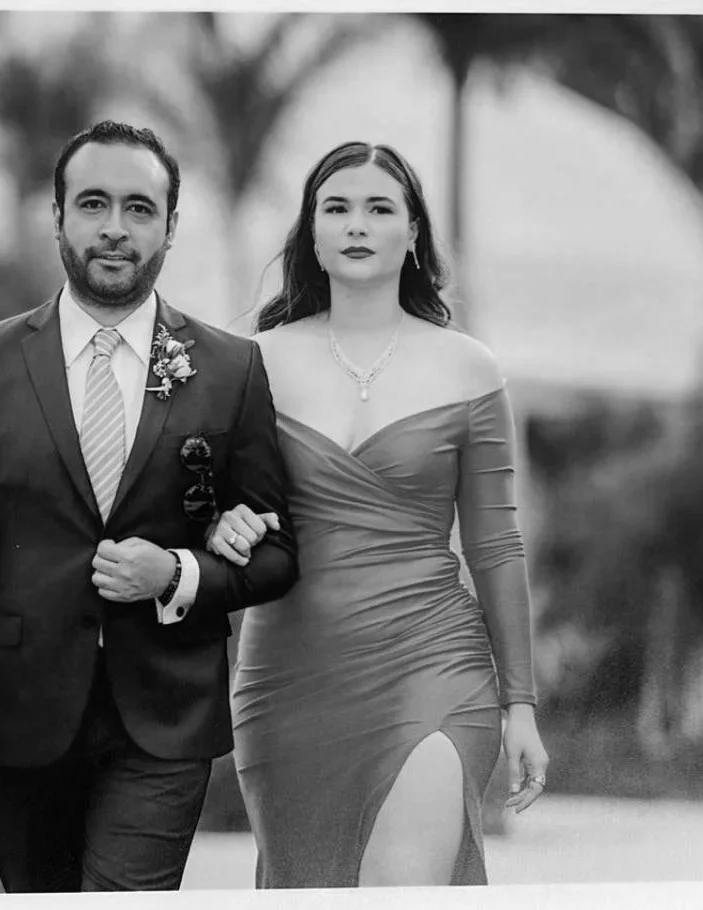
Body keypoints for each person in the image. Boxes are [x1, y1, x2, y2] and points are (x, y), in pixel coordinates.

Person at [0, 120, 298, 893]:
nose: (115, 227)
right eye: (93, 204)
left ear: (169, 227)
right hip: (20, 713)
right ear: (58, 218)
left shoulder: (229, 369)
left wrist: (177, 574)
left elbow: (278, 552)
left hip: (165, 719)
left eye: (139, 208)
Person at [208, 141, 550, 888]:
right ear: (312, 233)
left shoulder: (468, 367)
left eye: (378, 208)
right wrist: (218, 526)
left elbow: (495, 546)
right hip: (289, 678)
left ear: (413, 231)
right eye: (336, 208)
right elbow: (213, 511)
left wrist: (519, 704)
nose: (356, 224)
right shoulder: (249, 364)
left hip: (434, 660)